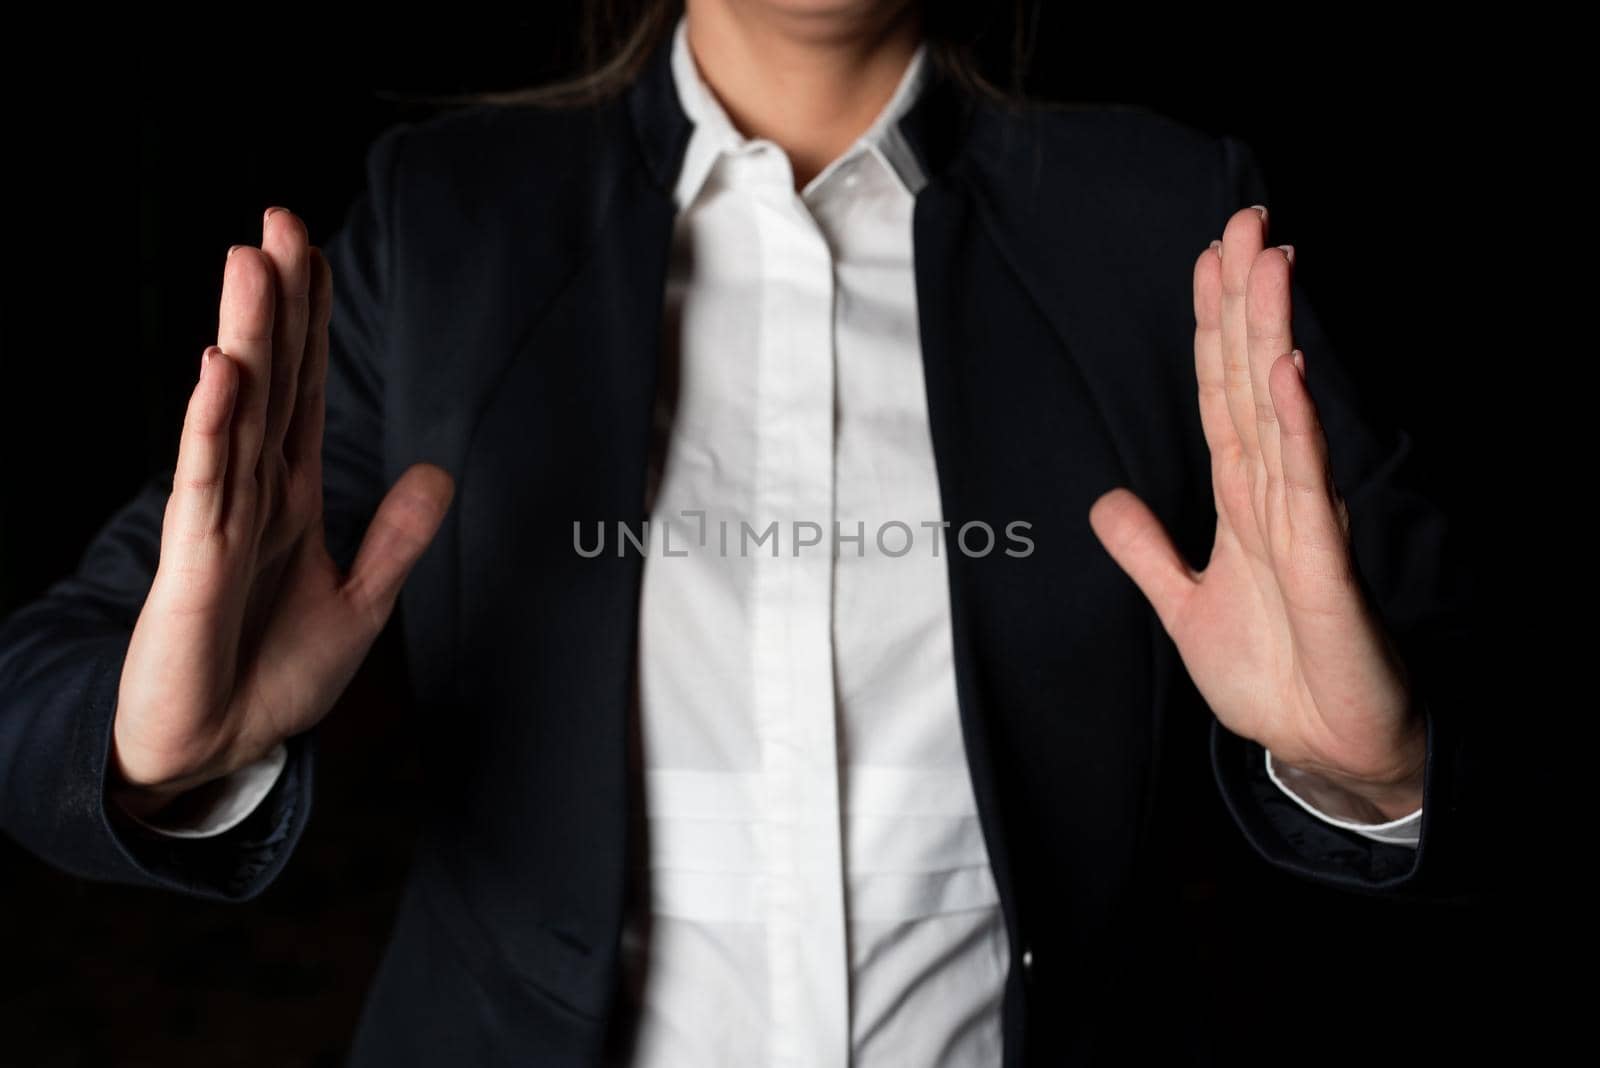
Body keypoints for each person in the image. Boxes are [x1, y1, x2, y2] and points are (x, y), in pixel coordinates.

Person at [0, 0, 1474, 1064]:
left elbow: (1413, 667)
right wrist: (146, 748)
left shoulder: (1162, 213)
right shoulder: (447, 221)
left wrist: (1385, 763)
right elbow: (38, 691)